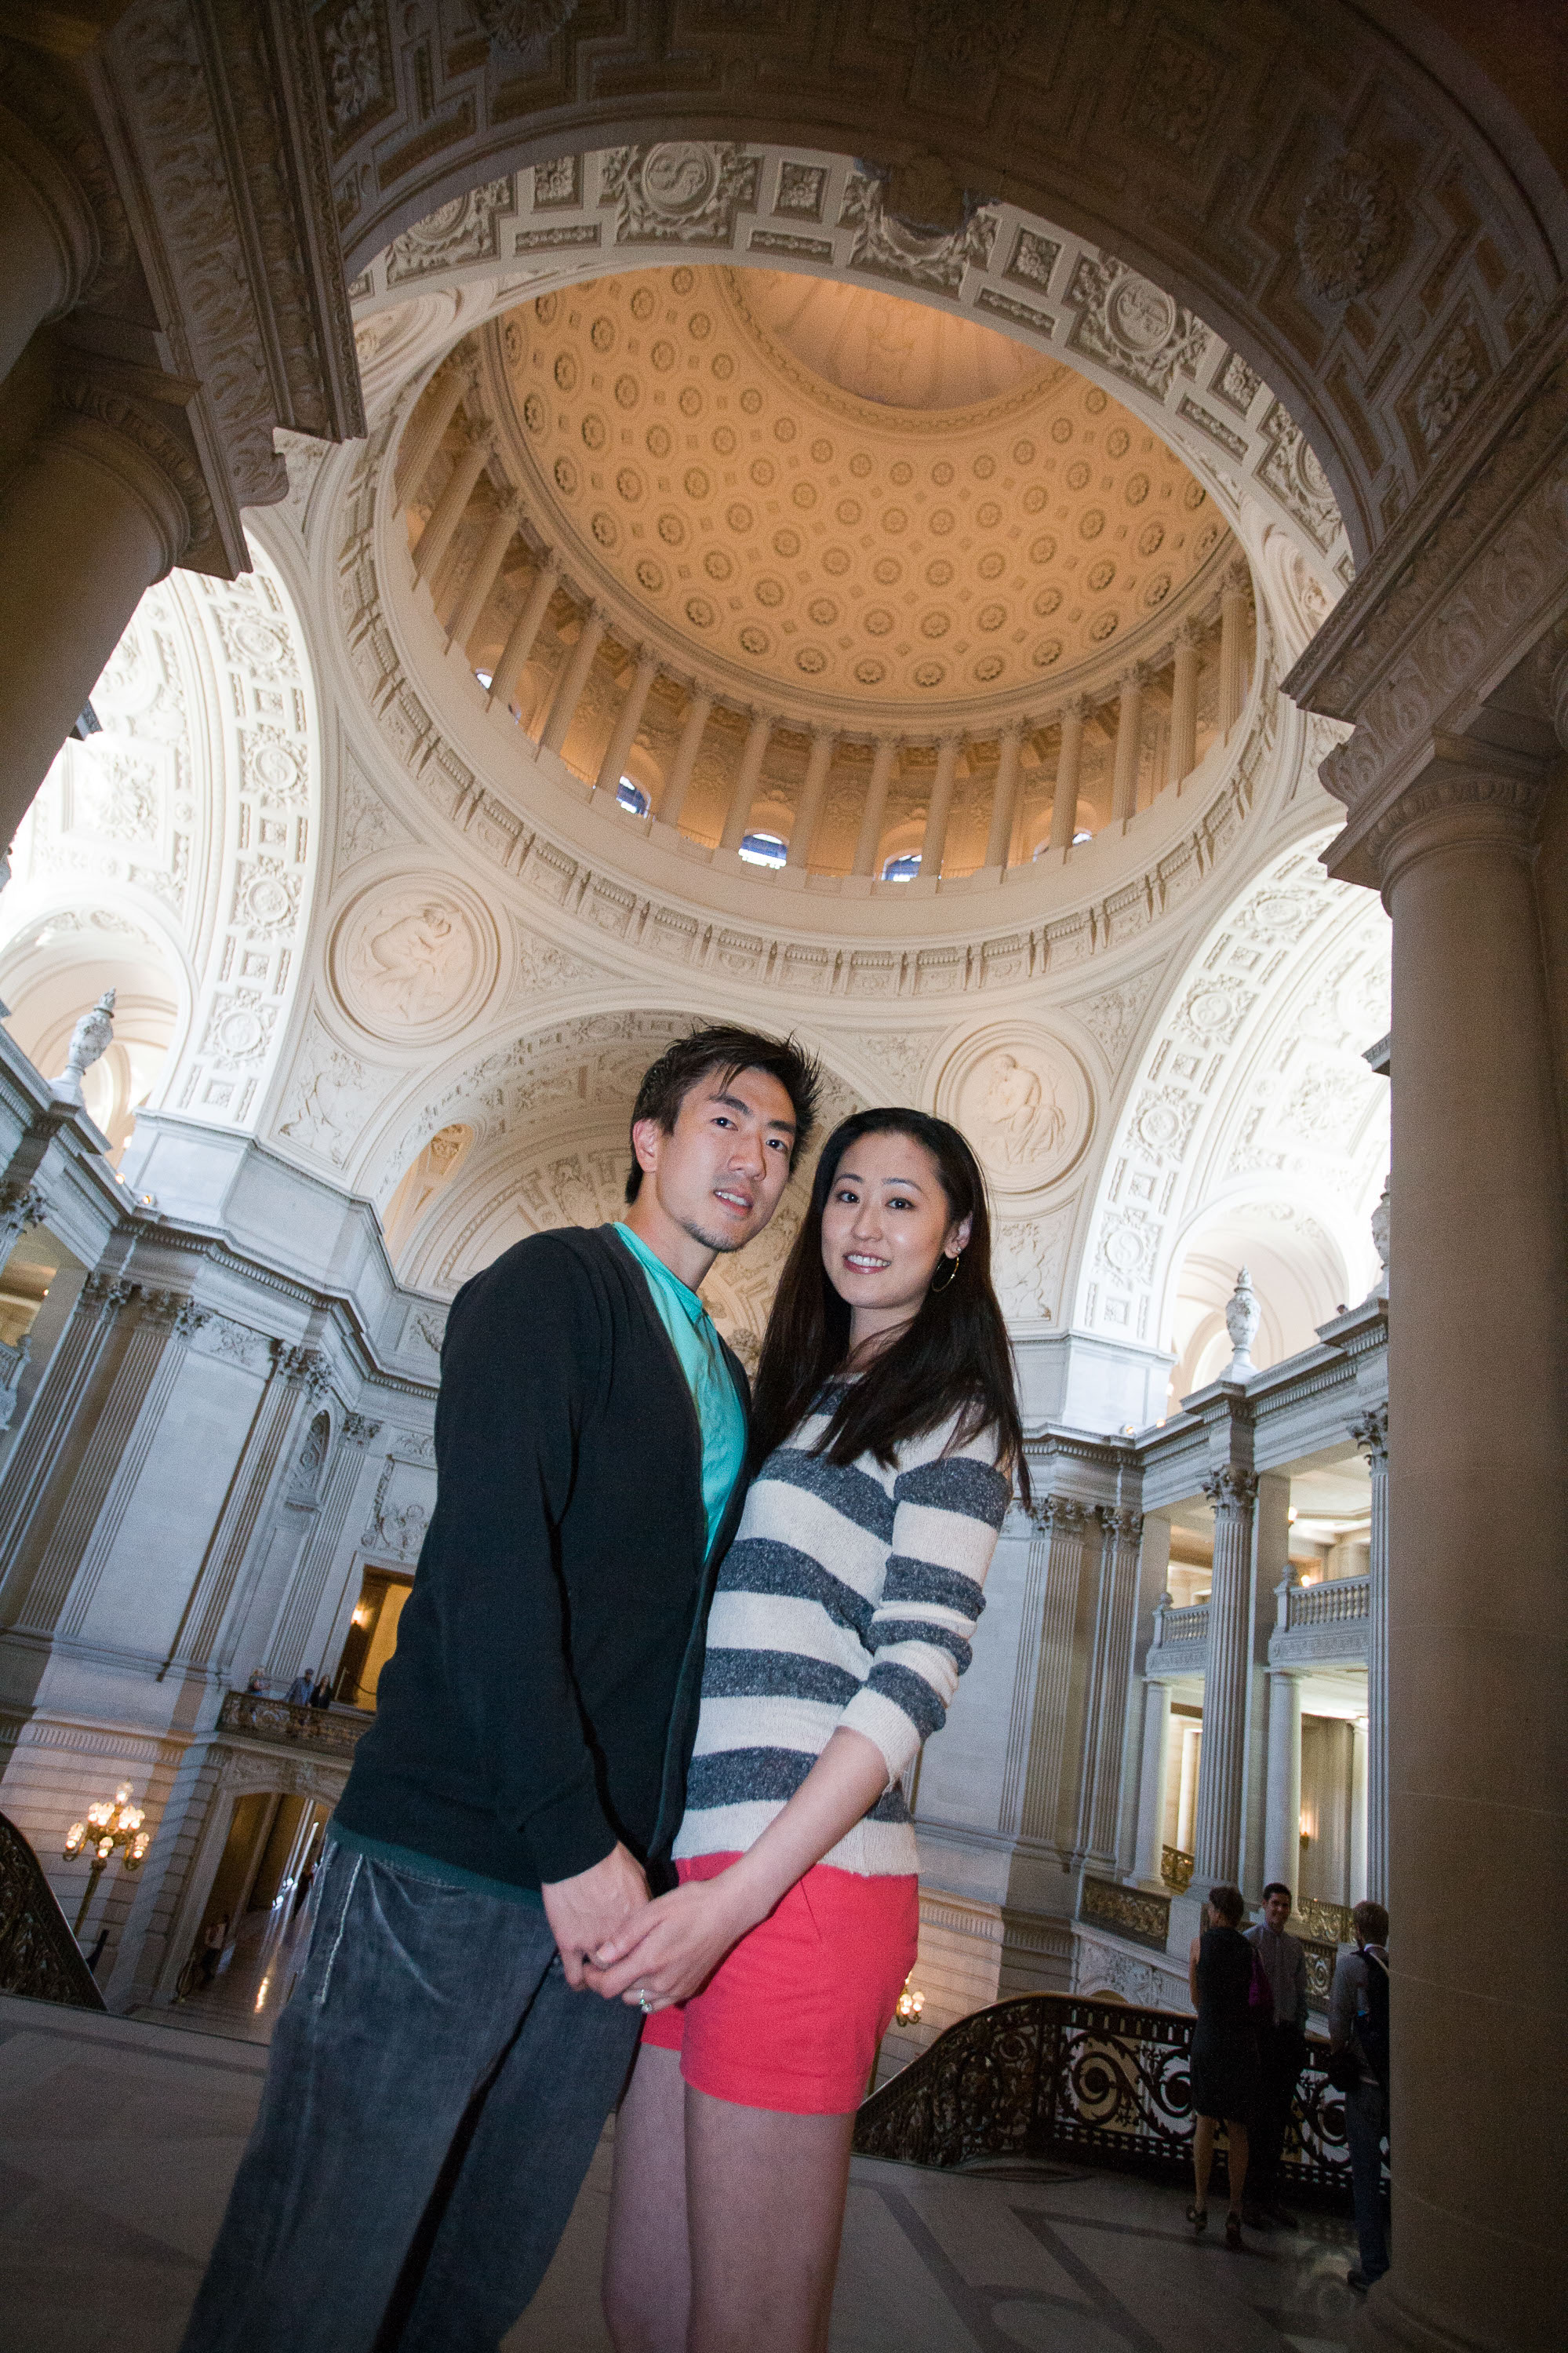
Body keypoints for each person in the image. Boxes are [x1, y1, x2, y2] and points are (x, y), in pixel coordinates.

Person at [179, 1023, 819, 2353]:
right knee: (316, 2268)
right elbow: (486, 1567)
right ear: (647, 1137)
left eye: (777, 1142)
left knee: (473, 2280)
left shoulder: (724, 1367)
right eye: (725, 1118)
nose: (752, 1158)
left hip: (607, 1906)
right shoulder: (551, 1283)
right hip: (454, 1851)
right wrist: (568, 1836)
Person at [595, 1108, 1024, 2353]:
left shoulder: (953, 1411)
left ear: (955, 1236)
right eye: (843, 1192)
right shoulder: (797, 1403)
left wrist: (735, 1903)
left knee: (745, 2327)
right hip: (703, 1878)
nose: (863, 1221)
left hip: (801, 1890)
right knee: (642, 2302)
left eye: (902, 1199)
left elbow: (912, 1678)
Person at [1187, 1884, 1257, 2250]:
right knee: (1238, 2128)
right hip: (1241, 2043)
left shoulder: (1200, 1945)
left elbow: (1196, 1998)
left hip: (1210, 2039)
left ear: (1216, 1912)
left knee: (1206, 2121)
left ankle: (1200, 2205)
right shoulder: (1249, 1950)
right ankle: (1234, 2210)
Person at [1330, 1898, 1391, 2295]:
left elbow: (1337, 2026)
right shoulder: (1403, 1966)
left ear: (1357, 1931)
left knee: (1366, 2180)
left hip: (1365, 2088)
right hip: (1400, 2090)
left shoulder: (1350, 1967)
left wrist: (1344, 2056)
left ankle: (1374, 2267)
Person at [1244, 1879, 1308, 2227]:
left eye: (1286, 1905)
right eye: (1276, 1904)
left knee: (1278, 2123)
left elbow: (1301, 1998)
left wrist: (1297, 2033)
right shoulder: (1251, 1941)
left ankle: (1271, 2200)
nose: (1281, 1911)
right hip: (1259, 2039)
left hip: (1284, 2041)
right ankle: (1251, 2201)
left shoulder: (1295, 1948)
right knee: (1257, 2123)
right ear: (1264, 1904)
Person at [198, 1911, 229, 1989]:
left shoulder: (217, 1927)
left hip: (212, 1948)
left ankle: (207, 1978)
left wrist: (207, 1943)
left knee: (204, 1964)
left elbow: (212, 1937)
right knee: (207, 1964)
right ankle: (208, 1977)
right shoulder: (224, 1927)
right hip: (216, 1948)